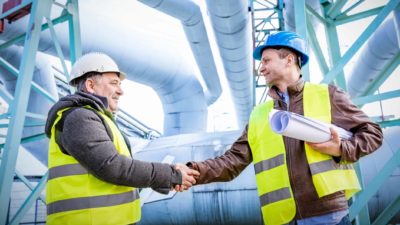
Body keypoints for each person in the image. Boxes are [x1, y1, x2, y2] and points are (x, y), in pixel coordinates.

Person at [177, 31, 383, 225]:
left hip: (327, 215)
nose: (261, 68)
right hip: (282, 218)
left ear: (289, 59)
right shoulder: (260, 114)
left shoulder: (327, 95)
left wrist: (340, 150)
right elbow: (232, 161)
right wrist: (194, 170)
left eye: (266, 60)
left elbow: (373, 133)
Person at [44, 52, 199, 225]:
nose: (120, 91)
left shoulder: (100, 119)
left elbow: (121, 173)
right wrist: (170, 175)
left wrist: (166, 179)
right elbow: (113, 167)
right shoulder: (79, 118)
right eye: (113, 83)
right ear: (90, 85)